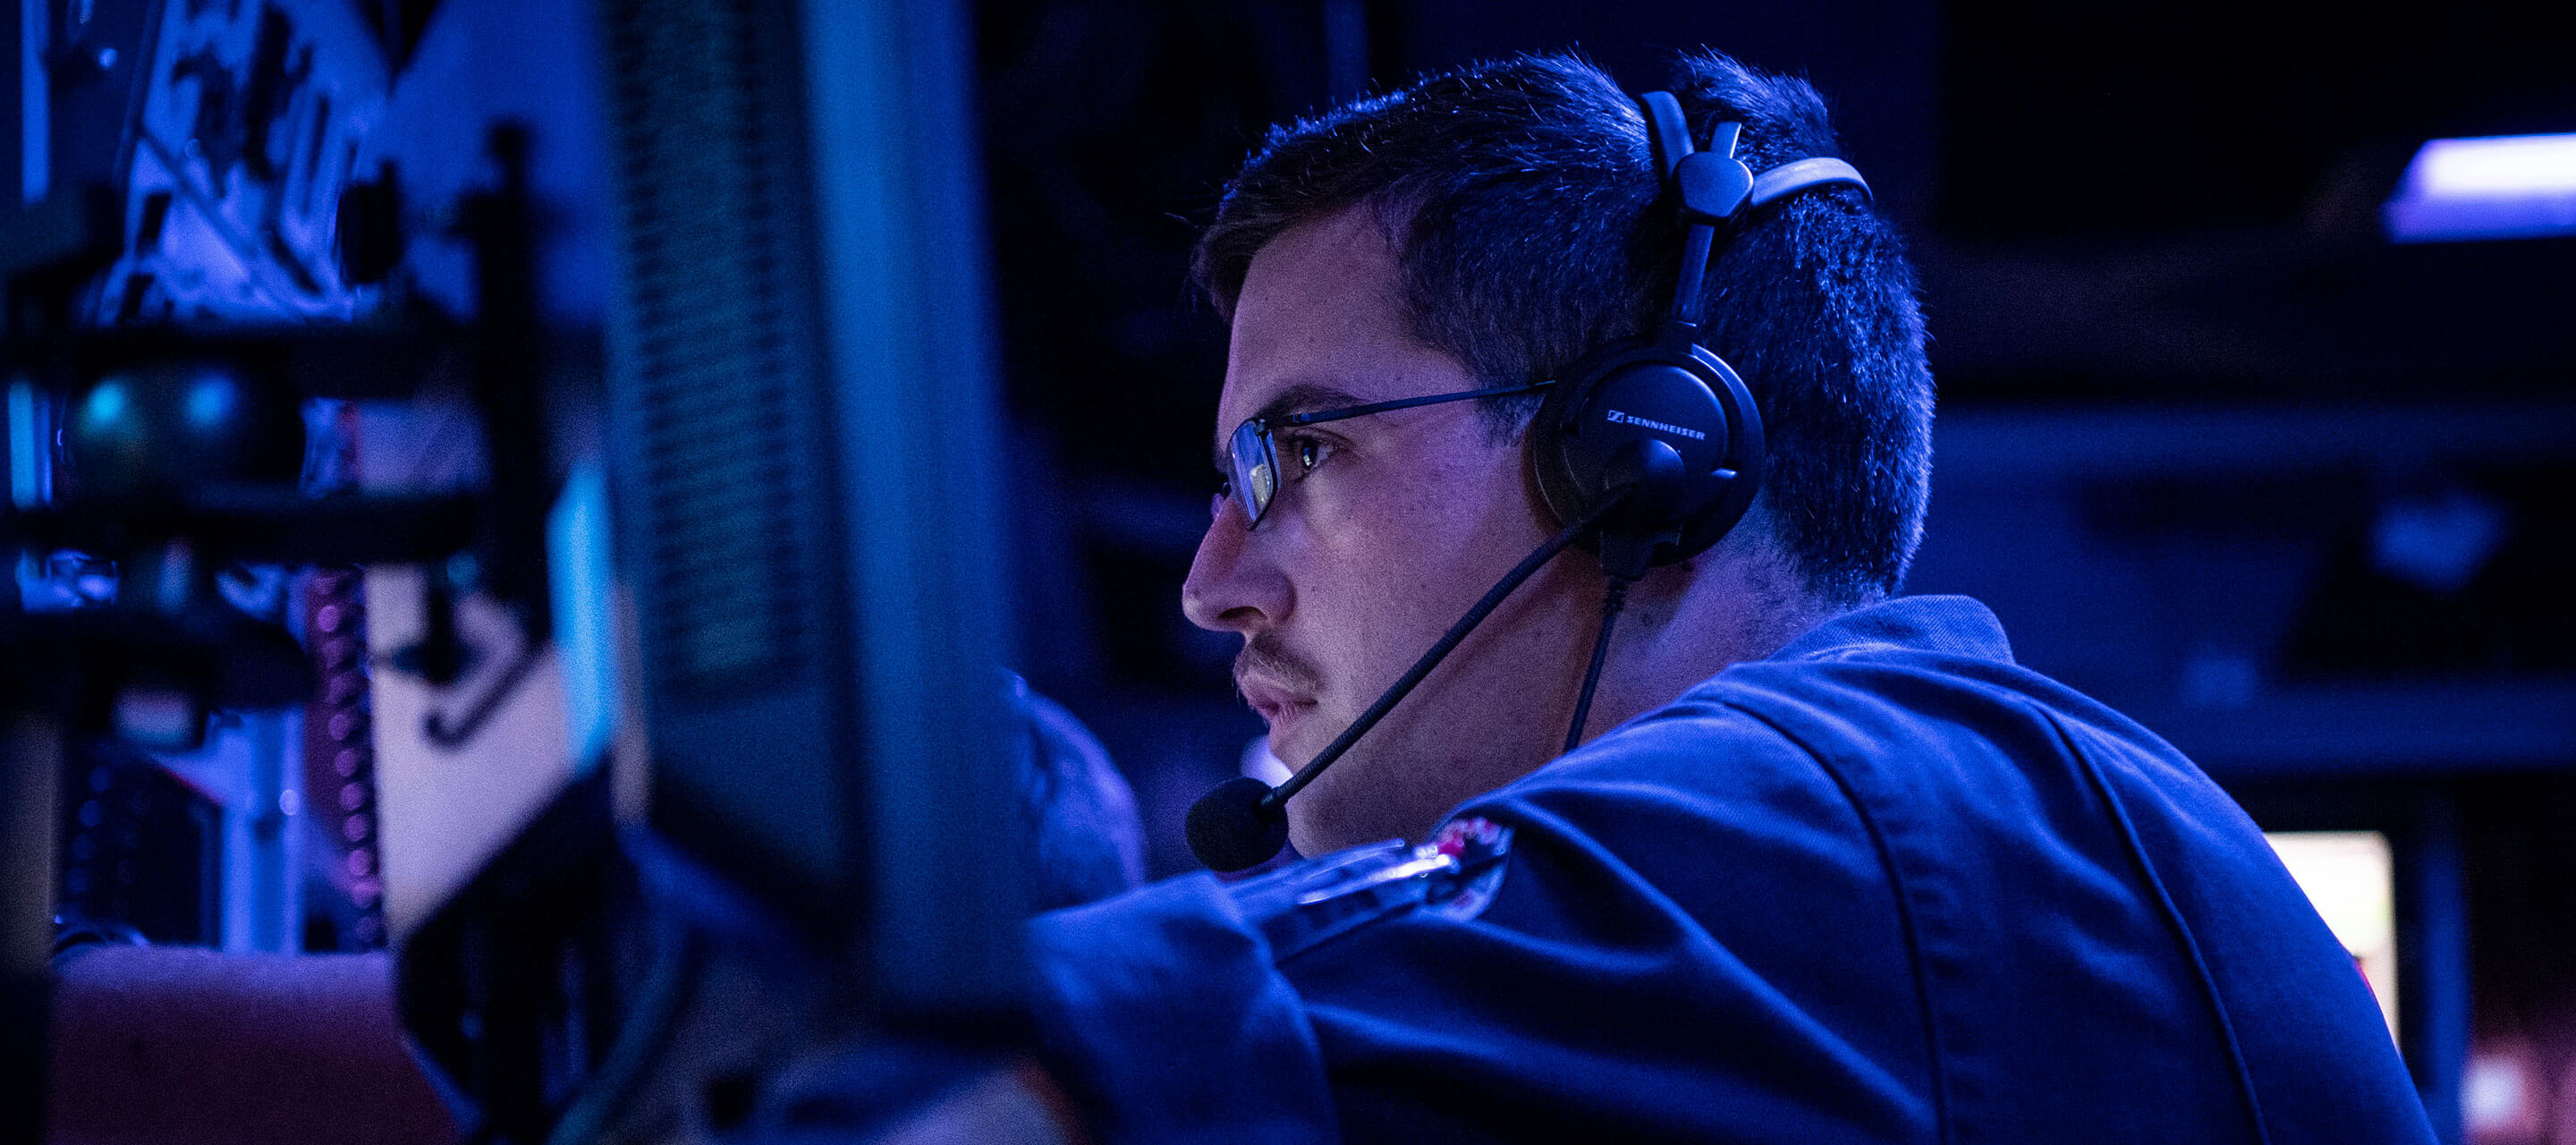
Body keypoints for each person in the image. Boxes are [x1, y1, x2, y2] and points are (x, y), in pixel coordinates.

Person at [1008, 50, 2438, 1143]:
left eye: (1303, 451)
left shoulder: (1854, 823)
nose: (1212, 587)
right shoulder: (1982, 808)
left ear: (1640, 458)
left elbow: (981, 1099)